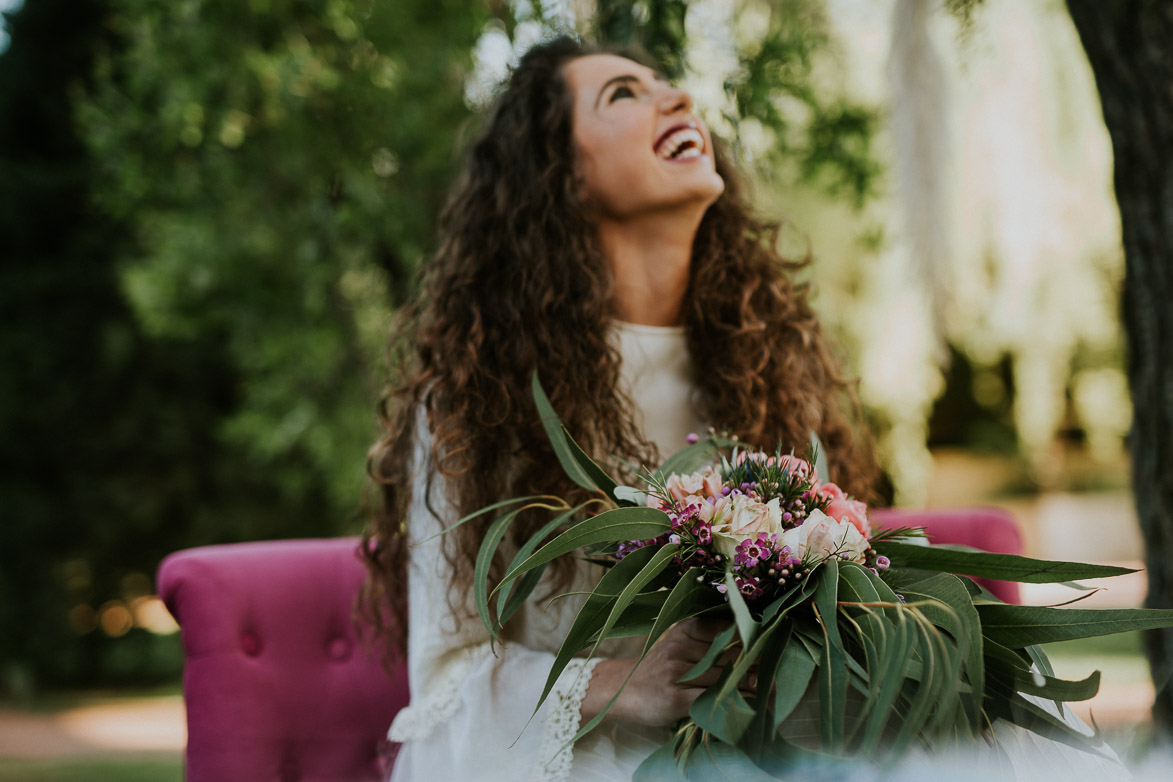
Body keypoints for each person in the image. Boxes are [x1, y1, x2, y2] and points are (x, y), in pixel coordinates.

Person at [359, 35, 1125, 782]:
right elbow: (447, 678)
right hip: (581, 749)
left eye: (665, 84)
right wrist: (624, 684)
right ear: (560, 175)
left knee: (980, 724)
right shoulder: (476, 394)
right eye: (622, 94)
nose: (677, 98)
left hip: (761, 723)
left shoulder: (762, 359)